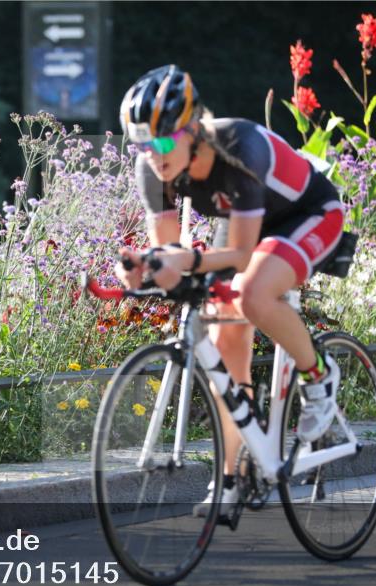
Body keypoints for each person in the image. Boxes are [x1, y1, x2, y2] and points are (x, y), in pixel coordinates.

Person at [115, 64, 344, 515]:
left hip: (308, 213)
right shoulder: (152, 169)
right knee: (223, 333)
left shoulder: (239, 147)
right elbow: (169, 251)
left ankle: (319, 376)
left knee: (254, 293)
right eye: (143, 144)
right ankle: (235, 471)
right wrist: (147, 266)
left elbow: (239, 256)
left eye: (163, 141)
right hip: (243, 221)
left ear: (193, 128)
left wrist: (187, 260)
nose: (154, 155)